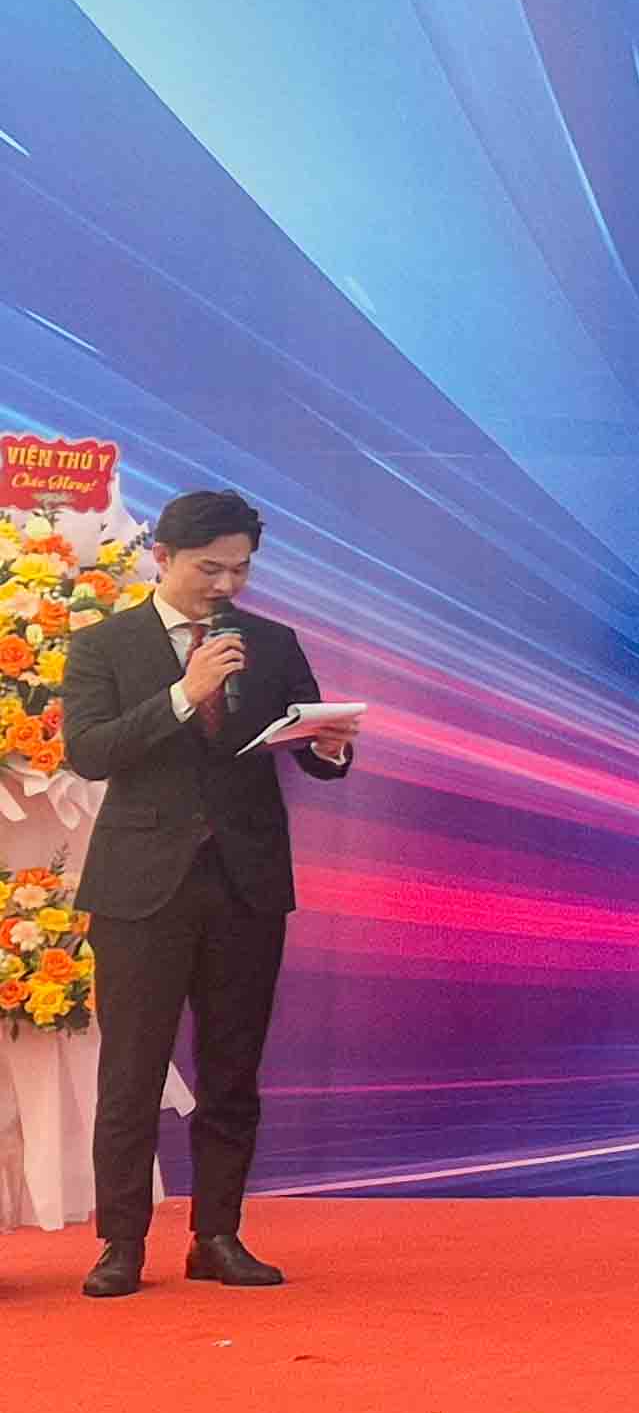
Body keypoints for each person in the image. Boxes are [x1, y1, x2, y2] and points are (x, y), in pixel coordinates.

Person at [58, 488, 360, 1299]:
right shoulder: (103, 645)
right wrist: (182, 694)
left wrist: (330, 747)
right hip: (140, 889)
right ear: (161, 558)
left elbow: (308, 751)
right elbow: (90, 752)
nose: (227, 585)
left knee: (233, 1070)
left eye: (241, 569)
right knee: (130, 1073)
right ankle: (120, 1244)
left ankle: (217, 1236)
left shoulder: (273, 642)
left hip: (245, 882)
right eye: (209, 569)